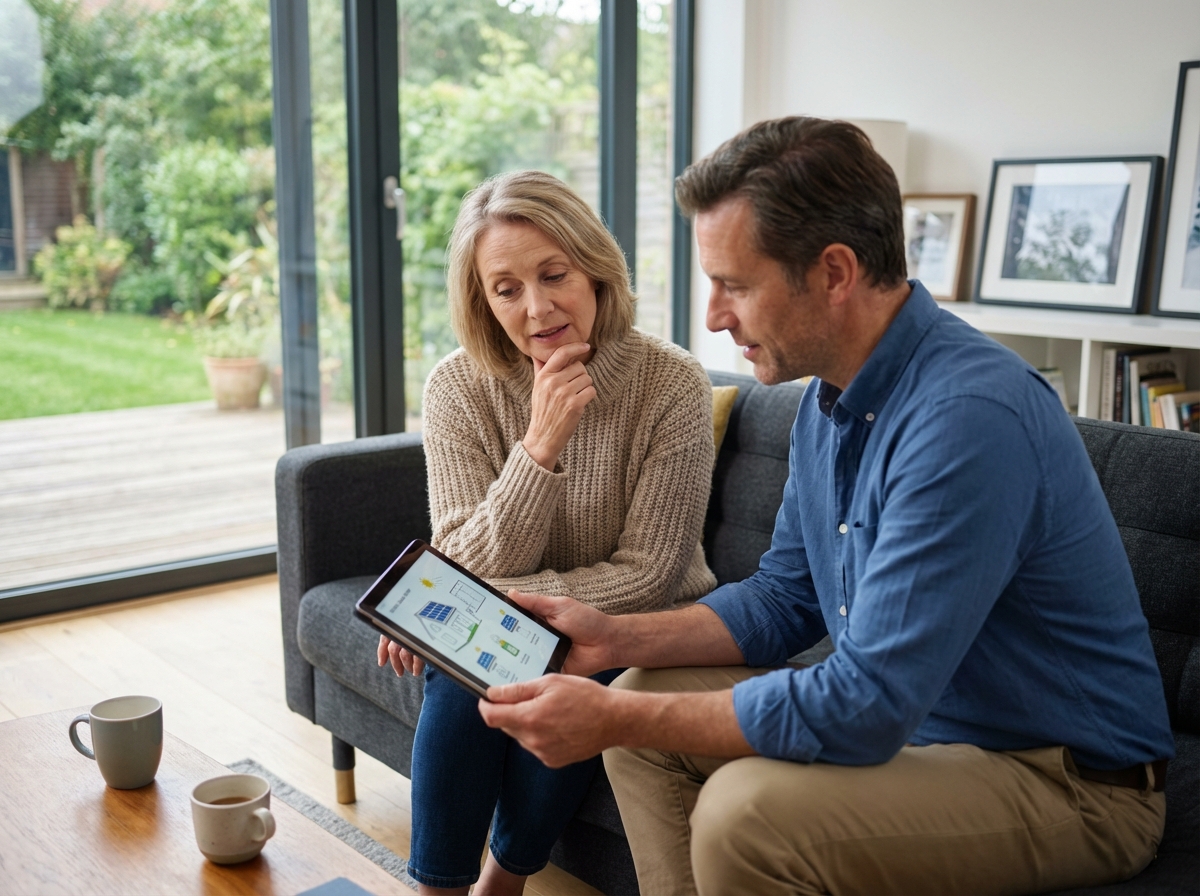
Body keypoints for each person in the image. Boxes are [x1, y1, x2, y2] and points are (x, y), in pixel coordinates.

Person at [475, 118, 1175, 896]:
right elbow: (786, 598)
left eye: (733, 284)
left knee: (743, 813)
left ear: (834, 272)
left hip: (1066, 779)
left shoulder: (968, 418)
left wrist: (610, 719)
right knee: (642, 687)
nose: (712, 315)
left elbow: (866, 704)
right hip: (931, 732)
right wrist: (611, 640)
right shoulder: (828, 403)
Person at [375, 169, 717, 895]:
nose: (535, 308)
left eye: (554, 274)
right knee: (463, 668)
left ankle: (504, 880)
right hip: (527, 610)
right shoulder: (457, 387)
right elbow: (463, 548)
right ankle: (435, 886)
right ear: (482, 300)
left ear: (595, 268)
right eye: (505, 288)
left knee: (556, 661)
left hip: (634, 622)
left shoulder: (673, 383)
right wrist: (539, 446)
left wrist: (461, 602)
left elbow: (650, 570)